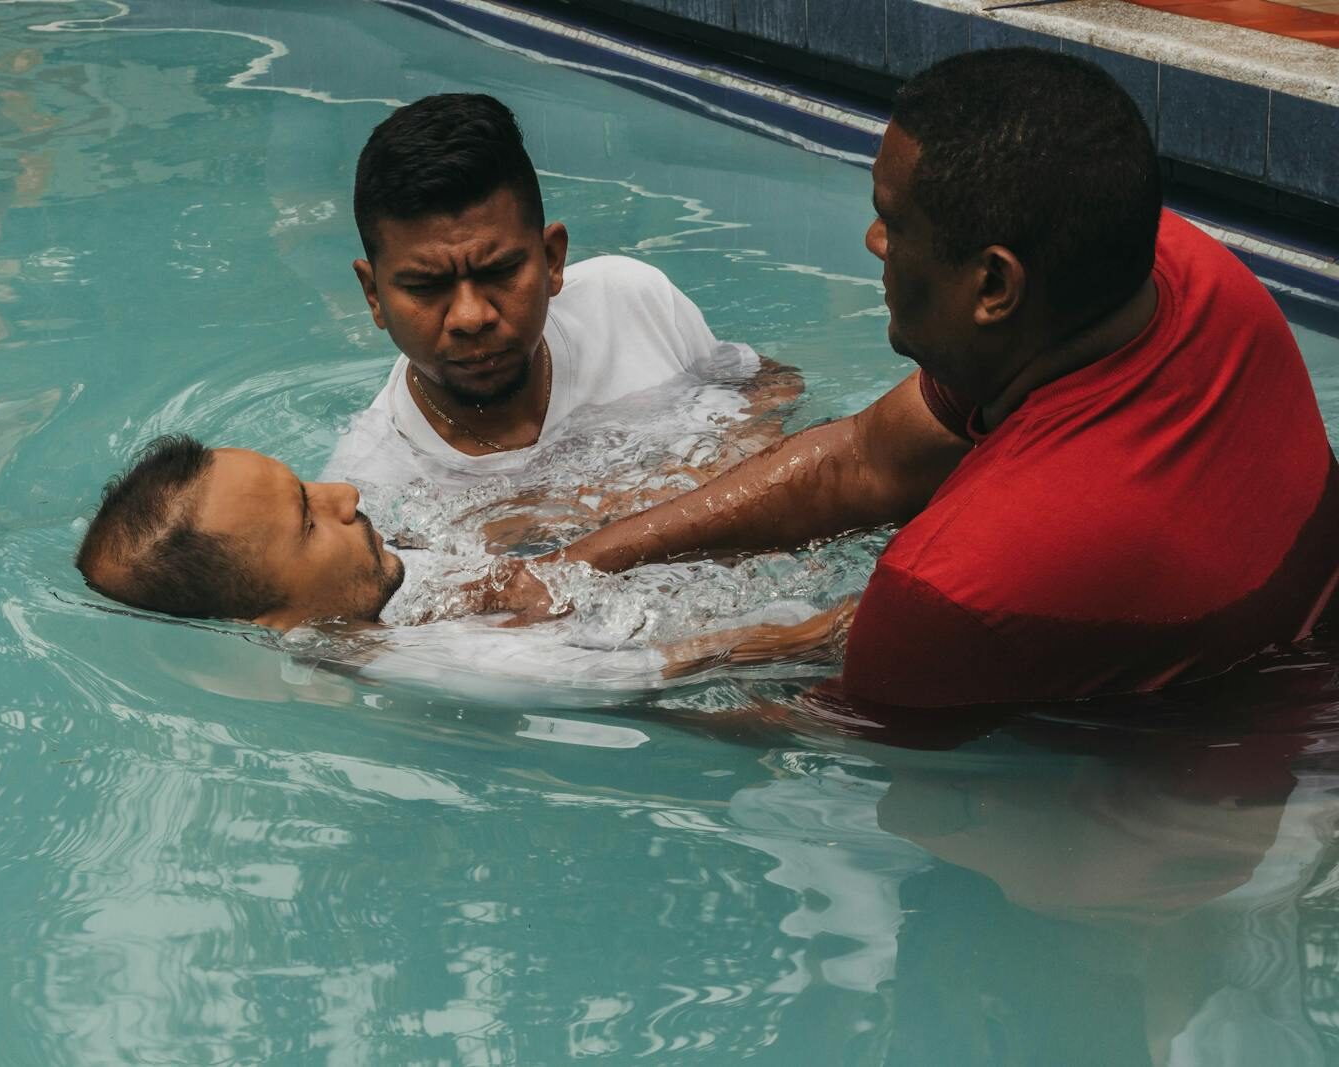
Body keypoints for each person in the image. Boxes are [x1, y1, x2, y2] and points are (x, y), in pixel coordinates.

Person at [476, 48, 1339, 708]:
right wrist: (571, 566)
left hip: (1241, 776)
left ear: (994, 285)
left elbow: (815, 730)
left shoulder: (956, 583)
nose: (873, 245)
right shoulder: (1188, 271)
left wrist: (533, 672)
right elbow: (865, 459)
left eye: (894, 222)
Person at [74, 435, 852, 688]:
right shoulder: (435, 662)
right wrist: (826, 634)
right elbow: (671, 664)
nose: (343, 491)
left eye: (306, 483)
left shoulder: (364, 586)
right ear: (277, 624)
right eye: (309, 519)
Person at [324, 92, 774, 495]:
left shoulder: (631, 302)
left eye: (499, 271)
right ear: (374, 296)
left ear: (552, 260)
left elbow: (767, 387)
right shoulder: (371, 490)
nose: (470, 316)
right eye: (426, 287)